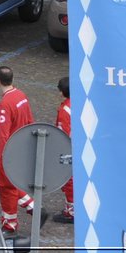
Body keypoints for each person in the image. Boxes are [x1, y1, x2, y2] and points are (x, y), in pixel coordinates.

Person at [0, 65, 35, 234]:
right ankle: (33, 207)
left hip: (10, 151)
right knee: (13, 182)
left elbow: (3, 135)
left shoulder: (5, 103)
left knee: (6, 186)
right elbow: (30, 120)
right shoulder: (21, 95)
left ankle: (10, 223)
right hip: (22, 146)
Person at [54, 76, 74, 223]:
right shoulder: (78, 103)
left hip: (69, 150)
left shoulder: (64, 110)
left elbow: (62, 135)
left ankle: (71, 211)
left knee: (68, 180)